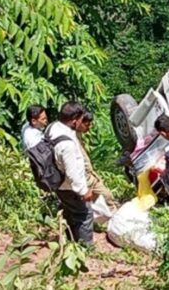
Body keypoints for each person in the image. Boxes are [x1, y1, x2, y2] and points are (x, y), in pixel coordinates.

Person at [51, 101, 95, 245]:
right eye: (82, 119)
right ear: (75, 119)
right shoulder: (67, 144)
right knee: (85, 214)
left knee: (70, 212)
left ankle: (71, 242)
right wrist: (83, 191)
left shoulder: (53, 128)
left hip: (57, 182)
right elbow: (72, 172)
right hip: (69, 186)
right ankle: (85, 247)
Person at [75, 111, 115, 206]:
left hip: (89, 176)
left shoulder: (78, 135)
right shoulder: (71, 138)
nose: (89, 128)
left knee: (107, 197)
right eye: (87, 125)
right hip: (83, 179)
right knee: (106, 197)